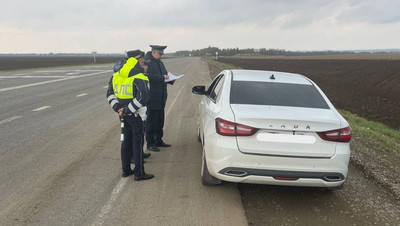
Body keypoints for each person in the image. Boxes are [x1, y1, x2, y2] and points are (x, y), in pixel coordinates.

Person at [106, 49, 154, 181]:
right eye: (143, 61)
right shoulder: (140, 77)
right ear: (138, 61)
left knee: (125, 142)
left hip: (122, 115)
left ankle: (126, 170)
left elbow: (109, 94)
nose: (144, 64)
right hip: (136, 115)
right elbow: (144, 98)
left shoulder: (116, 76)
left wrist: (118, 108)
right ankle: (139, 173)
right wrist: (128, 110)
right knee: (137, 143)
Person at [145, 45, 173, 152]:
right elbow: (147, 76)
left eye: (161, 54)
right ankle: (150, 143)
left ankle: (159, 140)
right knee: (151, 122)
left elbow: (165, 74)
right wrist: (162, 77)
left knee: (160, 120)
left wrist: (171, 79)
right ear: (153, 52)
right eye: (159, 54)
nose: (161, 56)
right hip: (152, 96)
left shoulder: (160, 63)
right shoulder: (147, 63)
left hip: (161, 96)